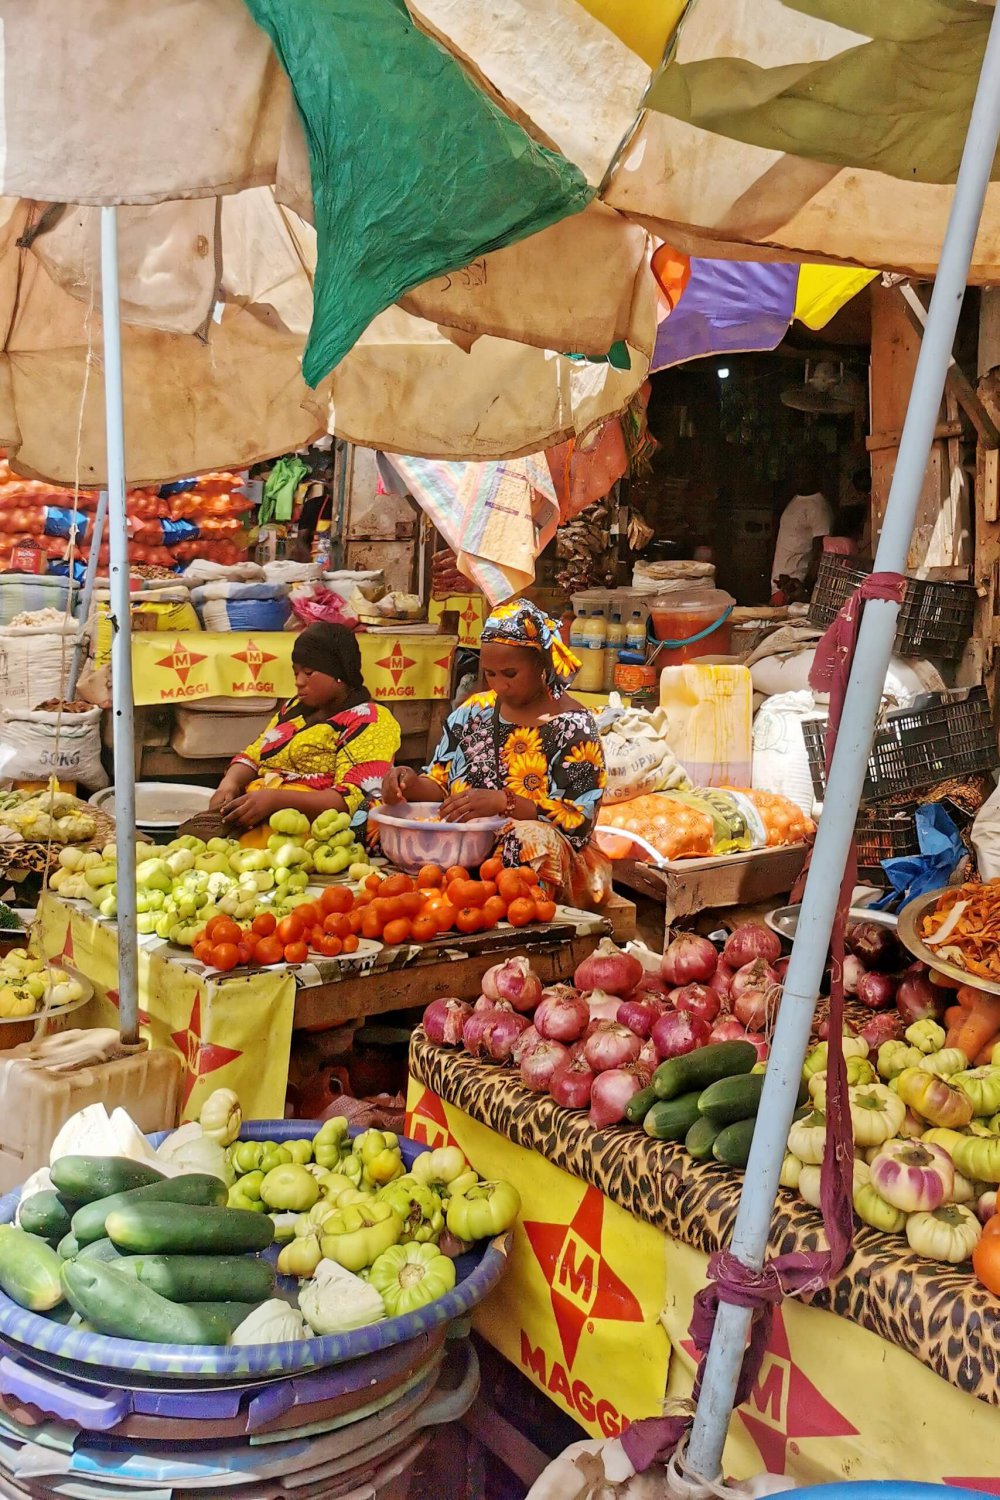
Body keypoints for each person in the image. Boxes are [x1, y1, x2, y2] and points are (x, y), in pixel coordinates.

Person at [381, 600, 611, 907]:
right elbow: (440, 785)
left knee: (527, 838)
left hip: (552, 860)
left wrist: (506, 803)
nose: (500, 685)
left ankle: (519, 909)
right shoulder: (474, 711)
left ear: (542, 665)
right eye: (490, 674)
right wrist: (406, 784)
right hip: (467, 848)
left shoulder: (573, 727)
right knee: (370, 815)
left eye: (510, 673)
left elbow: (577, 821)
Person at [211, 622, 400, 830]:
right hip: (260, 821)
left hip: (320, 832)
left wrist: (276, 801)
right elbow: (254, 754)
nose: (299, 682)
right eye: (296, 673)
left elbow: (355, 797)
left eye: (309, 672)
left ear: (339, 674)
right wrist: (229, 783)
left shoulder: (371, 720)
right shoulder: (295, 708)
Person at [770, 458, 834, 603]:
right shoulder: (795, 500)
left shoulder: (818, 507)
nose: (798, 476)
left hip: (793, 586)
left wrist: (804, 587)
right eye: (796, 472)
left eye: (803, 472)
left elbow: (822, 553)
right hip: (781, 583)